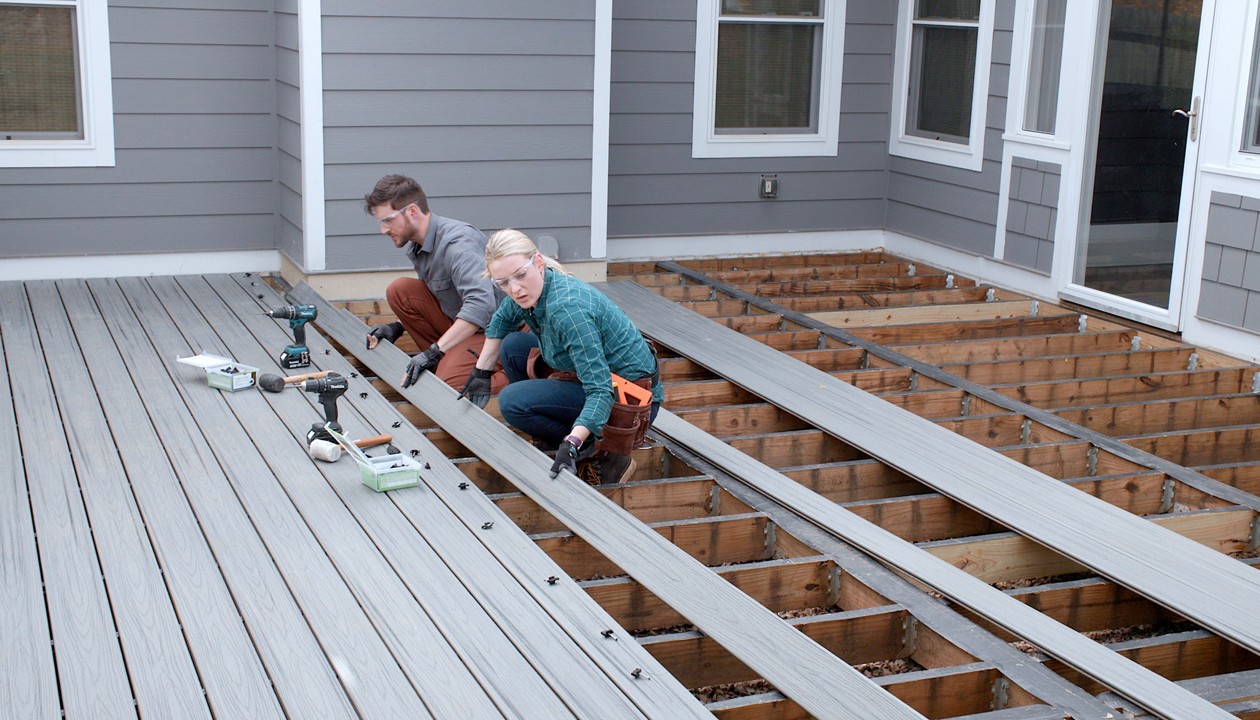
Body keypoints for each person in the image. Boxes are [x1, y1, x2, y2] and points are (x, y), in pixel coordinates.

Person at [459, 229, 662, 485]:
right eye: (503, 283)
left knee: (512, 402)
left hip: (627, 401)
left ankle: (597, 447)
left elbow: (600, 390)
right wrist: (481, 371)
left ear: (539, 263)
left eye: (520, 275)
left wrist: (572, 442)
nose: (515, 289)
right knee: (513, 346)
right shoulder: (531, 289)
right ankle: (558, 427)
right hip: (593, 375)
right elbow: (501, 321)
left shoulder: (567, 310)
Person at [362, 175, 508, 393]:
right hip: (464, 325)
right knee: (400, 291)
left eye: (388, 220)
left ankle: (514, 372)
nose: (383, 229)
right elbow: (440, 297)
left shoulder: (458, 244)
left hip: (496, 333)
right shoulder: (418, 246)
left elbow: (481, 307)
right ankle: (449, 361)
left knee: (447, 387)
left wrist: (433, 352)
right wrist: (397, 327)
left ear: (412, 211)